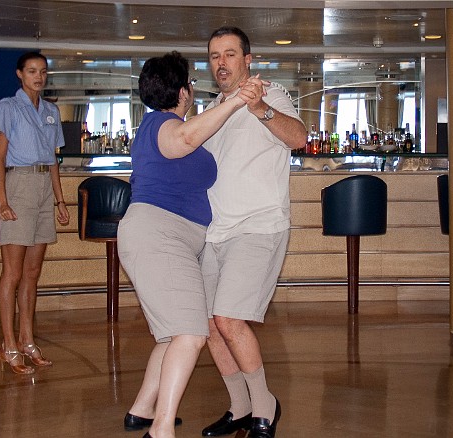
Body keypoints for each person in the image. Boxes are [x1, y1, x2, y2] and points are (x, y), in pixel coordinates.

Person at [117, 51, 257, 438]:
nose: (193, 90)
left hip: (162, 236)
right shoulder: (164, 125)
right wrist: (234, 101)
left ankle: (143, 409)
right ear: (182, 91)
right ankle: (161, 428)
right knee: (193, 334)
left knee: (173, 333)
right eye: (191, 84)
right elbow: (187, 136)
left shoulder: (157, 128)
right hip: (159, 236)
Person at [200, 27, 307, 438]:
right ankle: (240, 406)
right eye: (214, 56)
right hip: (216, 231)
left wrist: (258, 106)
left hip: (260, 225)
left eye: (229, 54)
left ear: (248, 59)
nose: (221, 62)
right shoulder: (213, 108)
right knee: (209, 323)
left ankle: (265, 406)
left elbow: (298, 138)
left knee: (228, 317)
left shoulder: (272, 94)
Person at [0, 52, 70, 375]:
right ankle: (8, 344)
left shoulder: (51, 110)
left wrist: (60, 200)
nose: (39, 76)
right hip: (19, 185)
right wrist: (2, 201)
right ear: (20, 74)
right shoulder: (8, 107)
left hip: (42, 187)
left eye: (43, 72)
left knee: (33, 272)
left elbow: (52, 161)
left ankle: (27, 340)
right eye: (32, 71)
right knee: (12, 272)